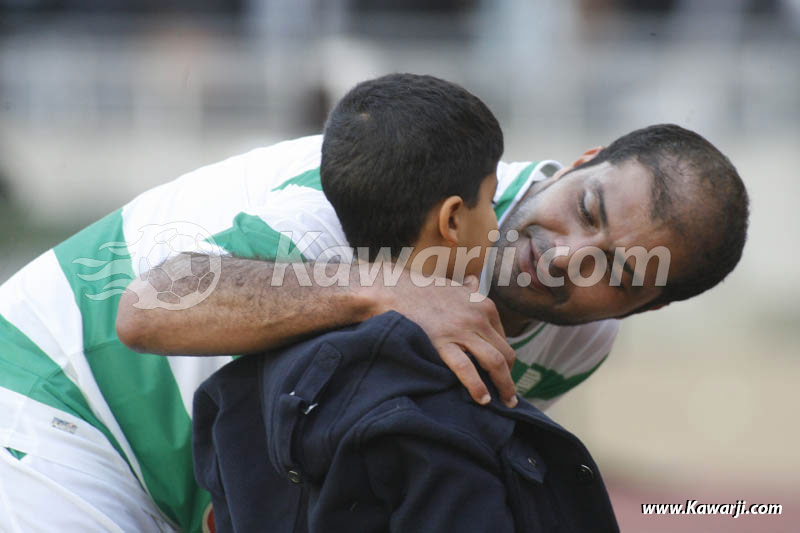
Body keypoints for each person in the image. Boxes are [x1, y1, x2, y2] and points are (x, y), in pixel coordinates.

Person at [0, 73, 749, 531]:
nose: (562, 256)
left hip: (179, 484)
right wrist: (384, 286)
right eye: (587, 207)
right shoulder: (393, 187)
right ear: (581, 162)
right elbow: (146, 307)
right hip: (56, 400)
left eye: (615, 270)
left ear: (644, 307)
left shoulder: (576, 344)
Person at [192, 83, 618, 530]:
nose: (497, 225)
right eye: (491, 203)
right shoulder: (444, 414)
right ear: (452, 219)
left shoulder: (247, 377)